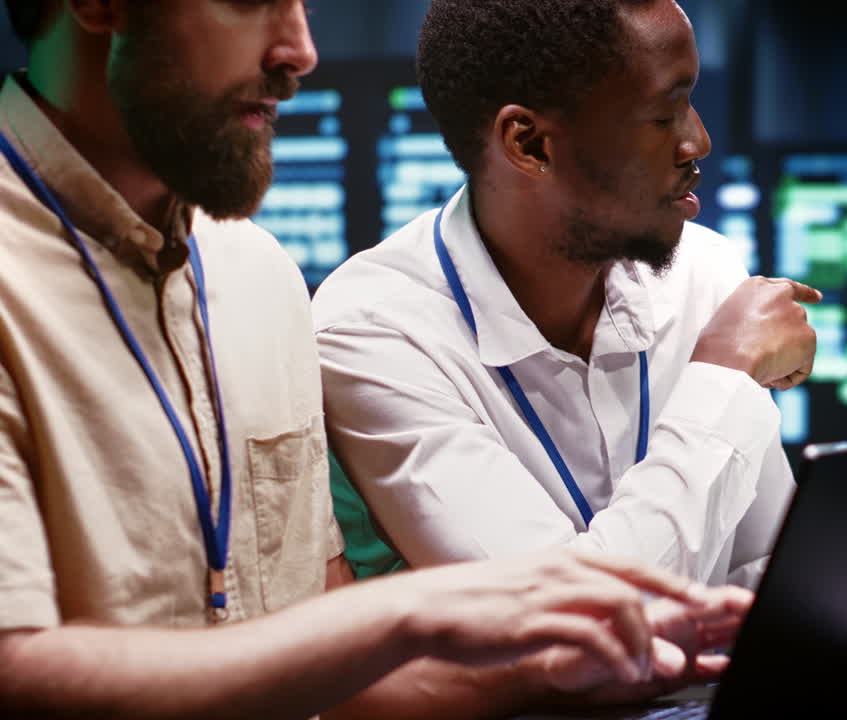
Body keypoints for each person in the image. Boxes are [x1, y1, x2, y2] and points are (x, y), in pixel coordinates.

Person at [314, 0, 847, 665]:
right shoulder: (374, 331)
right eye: (664, 111)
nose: (700, 141)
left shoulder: (704, 273)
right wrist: (720, 377)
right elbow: (571, 628)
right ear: (528, 143)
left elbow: (765, 590)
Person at [0, 1, 751, 718]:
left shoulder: (258, 278)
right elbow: (16, 675)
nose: (298, 49)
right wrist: (417, 610)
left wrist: (563, 664)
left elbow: (328, 675)